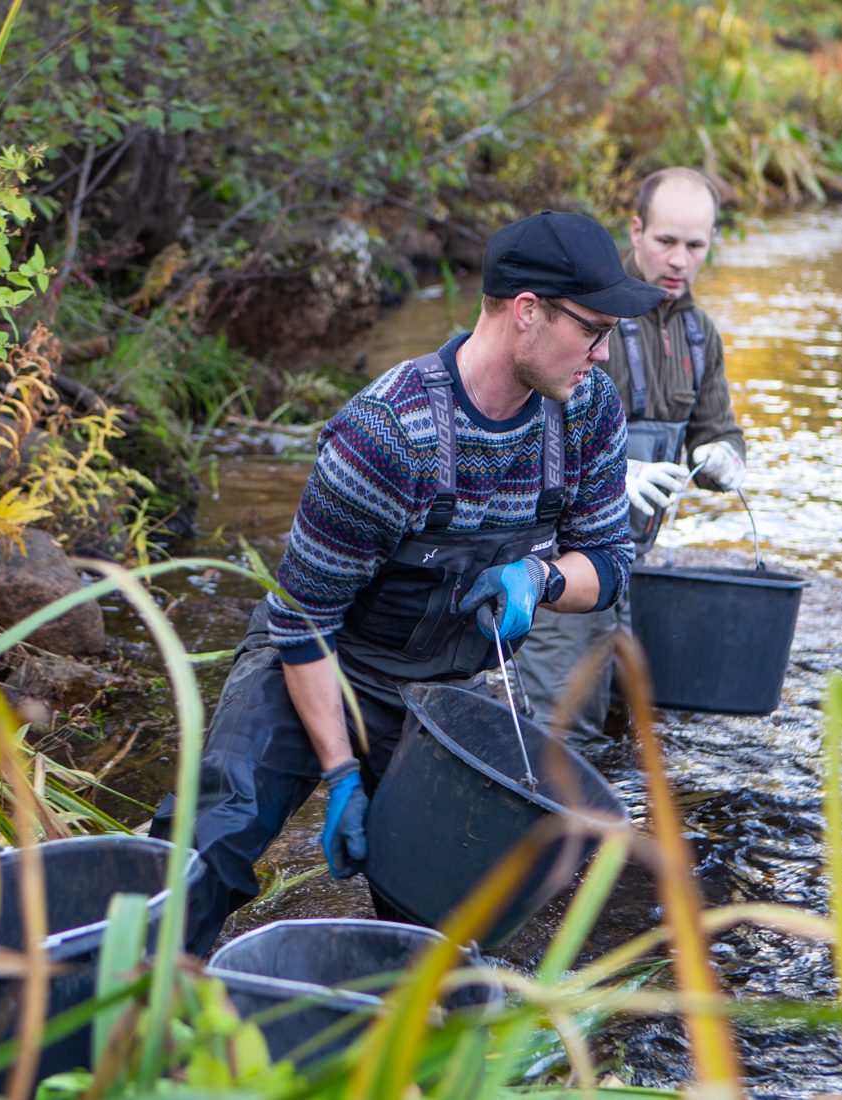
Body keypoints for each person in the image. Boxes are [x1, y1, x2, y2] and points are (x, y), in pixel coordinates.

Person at [152, 211, 664, 955]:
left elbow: (610, 561)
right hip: (322, 661)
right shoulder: (387, 435)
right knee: (207, 853)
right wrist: (339, 777)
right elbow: (303, 624)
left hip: (441, 700)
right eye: (592, 328)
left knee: (439, 932)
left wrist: (539, 577)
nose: (604, 350)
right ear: (528, 312)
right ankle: (127, 1020)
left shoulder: (585, 411)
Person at [516, 168, 747, 743]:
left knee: (627, 727)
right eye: (667, 241)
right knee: (560, 735)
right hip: (560, 564)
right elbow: (528, 435)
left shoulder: (702, 336)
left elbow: (717, 429)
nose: (679, 260)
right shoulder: (589, 319)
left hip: (633, 563)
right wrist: (613, 473)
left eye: (695, 245)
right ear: (637, 231)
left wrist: (725, 458)